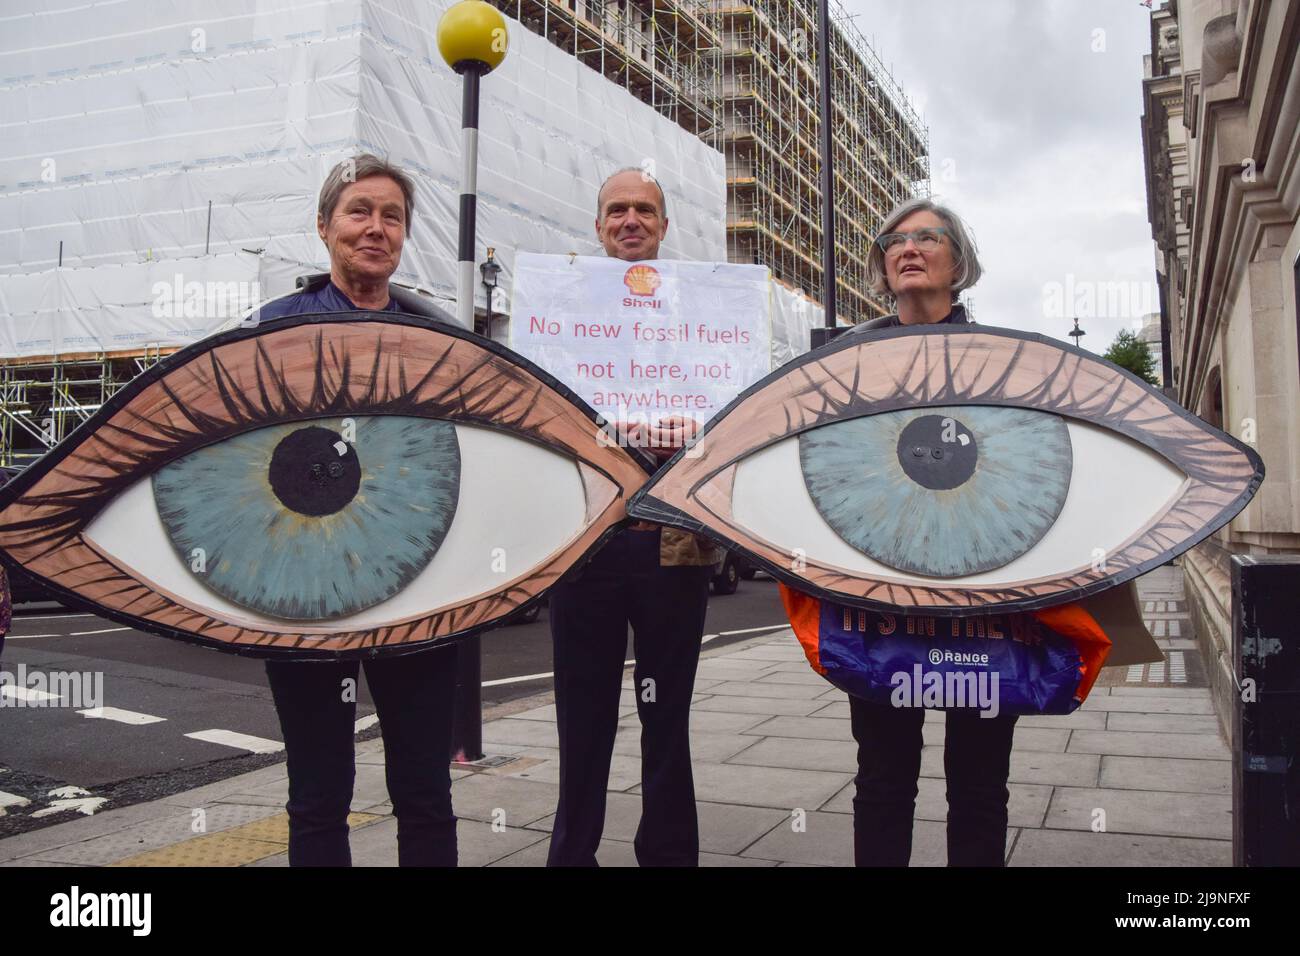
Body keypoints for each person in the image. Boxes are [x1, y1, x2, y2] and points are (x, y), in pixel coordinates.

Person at [253, 154, 460, 866]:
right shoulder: (267, 331)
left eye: (391, 216)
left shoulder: (439, 337)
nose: (376, 228)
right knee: (318, 796)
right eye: (359, 211)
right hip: (307, 592)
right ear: (324, 227)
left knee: (426, 790)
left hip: (420, 592)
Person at [824, 198, 1017, 867]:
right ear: (882, 264)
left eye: (926, 238)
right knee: (882, 777)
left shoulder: (1001, 361)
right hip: (882, 595)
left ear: (957, 261)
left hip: (983, 596)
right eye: (893, 241)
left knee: (980, 782)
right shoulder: (848, 361)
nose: (907, 248)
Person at [545, 168, 719, 867]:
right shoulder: (563, 311)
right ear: (597, 226)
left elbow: (721, 407)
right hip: (587, 544)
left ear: (664, 226)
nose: (630, 220)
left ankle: (669, 852)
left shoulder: (700, 312)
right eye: (615, 209)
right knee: (580, 717)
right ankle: (571, 853)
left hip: (670, 545)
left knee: (665, 713)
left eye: (644, 210)